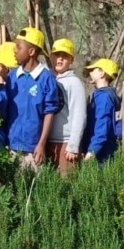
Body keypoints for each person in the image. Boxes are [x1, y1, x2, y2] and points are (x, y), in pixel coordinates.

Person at [6, 27, 61, 167]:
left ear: (31, 52)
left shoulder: (46, 78)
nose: (14, 50)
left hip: (33, 148)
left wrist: (41, 144)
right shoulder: (12, 76)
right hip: (12, 145)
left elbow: (49, 112)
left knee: (32, 186)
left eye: (18, 47)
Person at [47, 38, 88, 173]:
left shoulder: (74, 83)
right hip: (50, 141)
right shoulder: (50, 79)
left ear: (71, 60)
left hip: (66, 143)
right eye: (57, 55)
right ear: (51, 57)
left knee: (67, 186)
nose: (60, 59)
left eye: (65, 56)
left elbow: (79, 114)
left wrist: (73, 145)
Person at [82, 58, 120, 162]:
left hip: (101, 155)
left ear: (102, 73)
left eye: (93, 69)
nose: (90, 72)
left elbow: (102, 127)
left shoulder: (104, 97)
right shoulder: (100, 95)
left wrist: (91, 152)